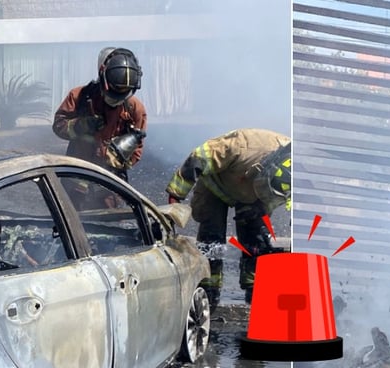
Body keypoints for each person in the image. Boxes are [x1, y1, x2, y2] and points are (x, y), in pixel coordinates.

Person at [165, 128, 292, 308]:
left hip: (251, 195)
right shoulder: (240, 147)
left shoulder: (293, 170)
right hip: (216, 184)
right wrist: (176, 195)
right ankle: (209, 287)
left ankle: (255, 287)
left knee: (256, 237)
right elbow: (198, 159)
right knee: (212, 238)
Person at [53, 47, 148, 208]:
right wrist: (80, 125)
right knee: (68, 219)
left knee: (109, 222)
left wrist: (115, 158)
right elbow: (58, 125)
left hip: (108, 186)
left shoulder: (135, 109)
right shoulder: (79, 97)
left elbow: (136, 151)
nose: (115, 100)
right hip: (75, 180)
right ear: (103, 76)